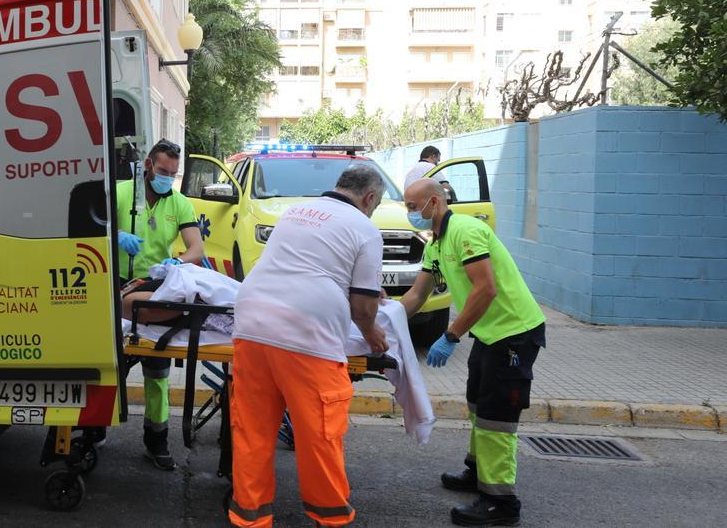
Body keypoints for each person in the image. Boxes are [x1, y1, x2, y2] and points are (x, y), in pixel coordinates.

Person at [228, 165, 390, 527]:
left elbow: (308, 263)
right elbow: (363, 309)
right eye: (375, 205)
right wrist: (373, 334)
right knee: (319, 433)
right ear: (369, 198)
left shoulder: (296, 212)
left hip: (252, 322)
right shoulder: (365, 228)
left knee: (252, 430)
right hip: (306, 336)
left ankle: (249, 519)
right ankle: (329, 518)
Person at [399, 178, 546, 527]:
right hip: (488, 334)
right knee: (478, 404)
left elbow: (486, 290)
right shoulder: (436, 244)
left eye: (411, 206)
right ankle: (478, 472)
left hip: (514, 333)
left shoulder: (465, 231)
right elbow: (417, 296)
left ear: (433, 202)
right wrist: (380, 322)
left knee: (497, 415)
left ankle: (501, 502)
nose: (410, 213)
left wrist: (451, 335)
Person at [115, 138, 205, 470]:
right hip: (118, 289)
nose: (168, 178)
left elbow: (196, 247)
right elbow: (92, 230)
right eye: (164, 171)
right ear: (149, 166)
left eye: (174, 173)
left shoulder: (178, 203)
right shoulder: (122, 193)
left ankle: (157, 439)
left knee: (158, 374)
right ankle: (91, 429)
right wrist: (116, 237)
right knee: (110, 370)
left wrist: (181, 262)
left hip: (156, 290)